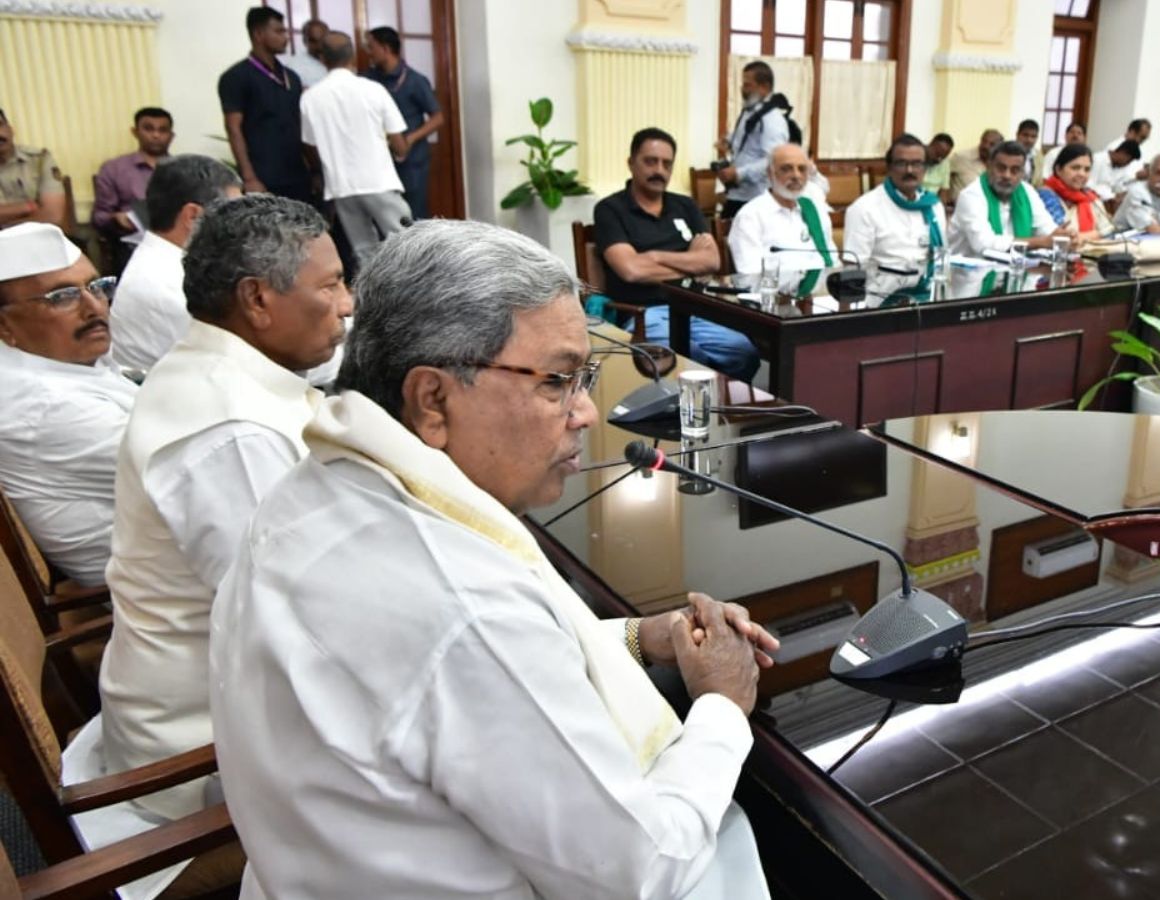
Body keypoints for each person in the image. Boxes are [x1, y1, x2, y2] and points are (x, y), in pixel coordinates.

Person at [210, 219, 777, 898]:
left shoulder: (320, 484)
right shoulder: (461, 604)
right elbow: (641, 870)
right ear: (432, 400)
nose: (586, 413)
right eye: (558, 381)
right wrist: (722, 706)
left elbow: (476, 680)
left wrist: (637, 636)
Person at [100, 194, 351, 822]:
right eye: (331, 285)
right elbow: (297, 623)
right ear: (257, 299)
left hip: (234, 697)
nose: (347, 304)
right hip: (204, 747)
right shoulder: (233, 431)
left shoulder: (220, 369)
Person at [0, 224, 134, 586]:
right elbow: (196, 470)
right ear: (4, 325)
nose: (94, 307)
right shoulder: (47, 407)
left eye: (97, 286)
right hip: (157, 588)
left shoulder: (61, 360)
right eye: (62, 297)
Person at [594, 128, 759, 382]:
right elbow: (631, 270)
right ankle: (691, 404)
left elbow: (712, 261)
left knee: (743, 351)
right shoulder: (610, 209)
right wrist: (691, 262)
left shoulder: (686, 206)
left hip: (693, 310)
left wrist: (652, 258)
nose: (659, 170)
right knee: (689, 355)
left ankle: (718, 403)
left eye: (666, 164)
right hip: (642, 314)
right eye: (650, 161)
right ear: (631, 163)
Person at [109, 155, 242, 373]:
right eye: (232, 216)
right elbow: (236, 366)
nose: (240, 227)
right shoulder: (169, 286)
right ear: (193, 216)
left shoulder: (168, 263)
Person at [299, 30, 410, 266]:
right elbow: (398, 141)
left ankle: (374, 290)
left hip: (341, 186)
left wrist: (322, 171)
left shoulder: (310, 97)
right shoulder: (373, 90)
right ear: (353, 56)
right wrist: (400, 154)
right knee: (405, 243)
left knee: (363, 250)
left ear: (323, 59)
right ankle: (416, 288)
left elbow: (309, 145)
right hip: (378, 181)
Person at [219, 7, 313, 203]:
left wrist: (314, 169)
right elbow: (233, 128)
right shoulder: (236, 77)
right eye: (279, 31)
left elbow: (300, 125)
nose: (286, 37)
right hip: (264, 175)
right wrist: (249, 178)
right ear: (259, 34)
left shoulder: (291, 77)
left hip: (297, 172)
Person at [364, 26, 444, 221]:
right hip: (378, 160)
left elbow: (438, 118)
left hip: (411, 160)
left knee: (414, 214)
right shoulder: (368, 79)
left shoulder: (415, 80)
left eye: (371, 47)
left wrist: (411, 138)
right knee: (385, 217)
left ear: (386, 48)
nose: (368, 52)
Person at [843, 133, 948, 270]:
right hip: (880, 283)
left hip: (928, 281)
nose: (909, 170)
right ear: (889, 168)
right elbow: (853, 268)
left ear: (925, 169)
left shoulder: (934, 206)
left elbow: (941, 258)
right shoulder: (864, 209)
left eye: (917, 164)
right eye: (901, 164)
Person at [728, 144, 836, 273]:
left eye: (802, 169)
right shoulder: (751, 216)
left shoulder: (815, 210)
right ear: (770, 173)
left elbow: (833, 261)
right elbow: (750, 273)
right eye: (786, 169)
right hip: (774, 285)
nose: (796, 175)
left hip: (822, 284)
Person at [950, 140, 1065, 255]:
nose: (1007, 175)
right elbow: (983, 245)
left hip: (1015, 264)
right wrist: (1040, 242)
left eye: (1015, 170)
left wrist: (1063, 237)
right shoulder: (971, 195)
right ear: (988, 166)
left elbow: (1047, 229)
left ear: (1022, 172)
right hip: (968, 265)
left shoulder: (1027, 192)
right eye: (1001, 168)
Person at [717, 61, 790, 220]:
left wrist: (739, 173)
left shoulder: (772, 119)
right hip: (738, 194)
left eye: (748, 85)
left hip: (757, 197)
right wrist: (728, 141)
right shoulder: (750, 112)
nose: (742, 90)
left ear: (764, 87)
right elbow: (745, 139)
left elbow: (774, 161)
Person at [91, 107, 174, 245]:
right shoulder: (114, 169)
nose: (156, 135)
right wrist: (116, 218)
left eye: (163, 130)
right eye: (148, 129)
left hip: (177, 242)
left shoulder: (184, 169)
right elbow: (99, 217)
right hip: (133, 242)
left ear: (171, 136)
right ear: (135, 132)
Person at [0, 106, 69, 232]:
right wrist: (27, 207)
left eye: (0, 125)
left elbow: (53, 216)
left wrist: (5, 227)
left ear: (10, 129)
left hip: (39, 238)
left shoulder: (39, 160)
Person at [1039, 144, 1113, 242]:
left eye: (1087, 169)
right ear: (1058, 169)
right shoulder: (1045, 196)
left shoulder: (1090, 197)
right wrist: (1096, 234)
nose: (1082, 174)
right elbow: (1063, 236)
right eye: (1075, 168)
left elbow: (1109, 232)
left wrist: (1084, 236)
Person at [947, 128, 1002, 199]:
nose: (985, 146)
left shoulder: (999, 164)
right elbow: (944, 176)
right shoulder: (961, 157)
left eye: (992, 144)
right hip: (961, 204)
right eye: (984, 141)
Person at [279, 18, 329, 88]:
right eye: (314, 41)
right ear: (304, 41)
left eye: (324, 39)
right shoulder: (294, 66)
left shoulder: (338, 60)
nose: (320, 45)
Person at [922, 133, 955, 199]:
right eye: (937, 154)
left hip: (932, 201)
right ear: (930, 145)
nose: (939, 160)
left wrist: (941, 205)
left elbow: (944, 190)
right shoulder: (915, 156)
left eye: (943, 157)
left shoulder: (945, 163)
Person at [1016, 118, 1046, 185]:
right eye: (1025, 135)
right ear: (1017, 135)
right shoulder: (1007, 152)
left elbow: (1039, 182)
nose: (1029, 140)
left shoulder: (1038, 156)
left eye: (1033, 136)